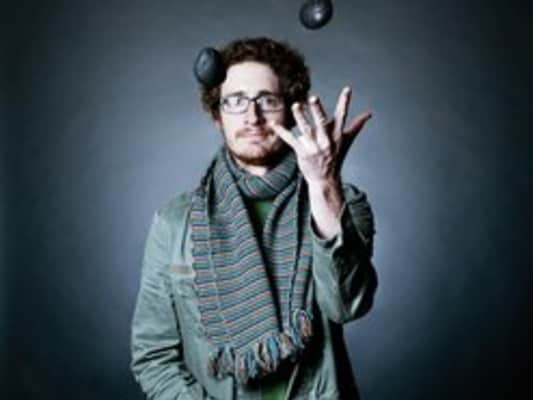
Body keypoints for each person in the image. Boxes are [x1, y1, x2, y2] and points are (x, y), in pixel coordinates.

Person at [130, 36, 377, 400]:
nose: (252, 116)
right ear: (217, 115)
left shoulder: (342, 201)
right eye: (235, 101)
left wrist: (324, 184)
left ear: (291, 109)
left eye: (268, 100)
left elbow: (347, 306)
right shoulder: (174, 223)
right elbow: (153, 357)